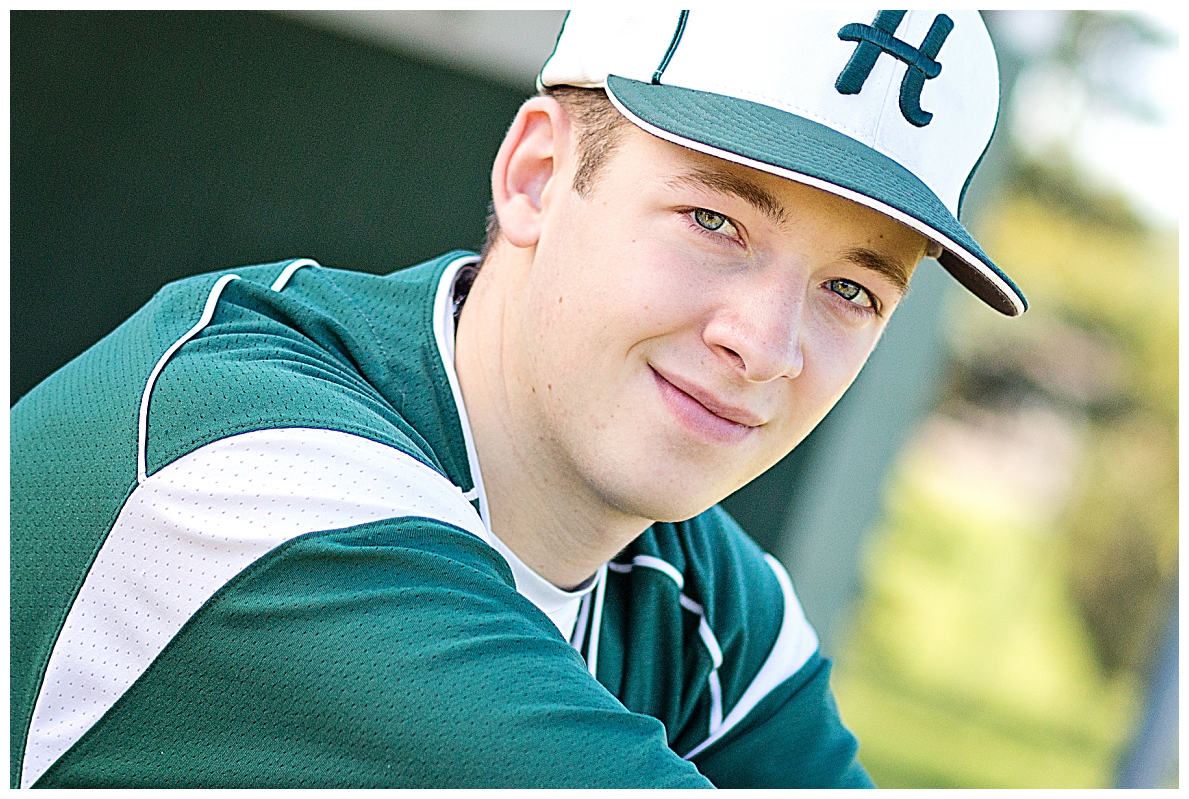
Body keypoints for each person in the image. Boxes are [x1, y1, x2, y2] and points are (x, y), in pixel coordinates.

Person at [11, 10, 1026, 789]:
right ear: (538, 176)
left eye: (851, 288)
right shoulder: (255, 474)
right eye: (713, 221)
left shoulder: (710, 608)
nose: (763, 346)